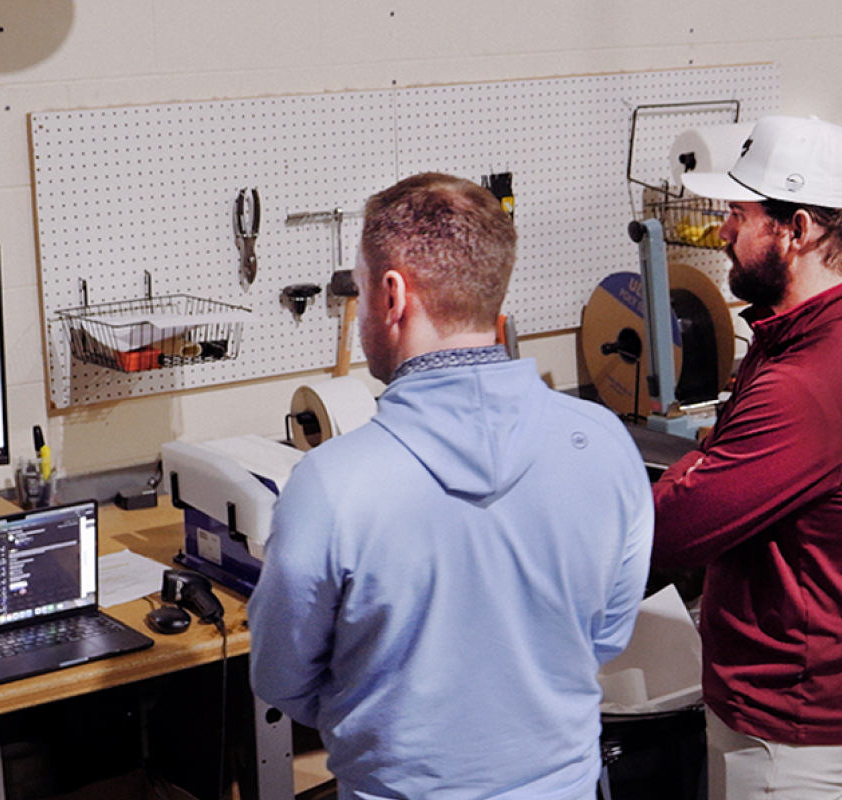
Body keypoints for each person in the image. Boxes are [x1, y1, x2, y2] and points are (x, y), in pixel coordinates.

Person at [248, 172, 653, 800]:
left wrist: (383, 714)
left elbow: (281, 678)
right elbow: (605, 637)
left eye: (358, 292)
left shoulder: (330, 485)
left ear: (391, 294)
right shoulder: (603, 443)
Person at [651, 115, 842, 800]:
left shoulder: (809, 380)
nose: (725, 231)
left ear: (797, 229)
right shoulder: (786, 335)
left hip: (790, 736)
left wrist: (699, 469)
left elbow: (674, 525)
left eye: (738, 213)